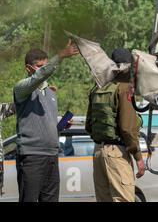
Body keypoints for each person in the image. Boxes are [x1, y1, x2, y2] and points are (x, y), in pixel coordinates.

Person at [13, 40, 79, 202]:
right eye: (39, 66)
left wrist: (59, 126)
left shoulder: (50, 93)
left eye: (45, 65)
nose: (43, 69)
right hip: (31, 157)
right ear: (28, 68)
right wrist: (61, 55)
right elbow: (40, 76)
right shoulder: (21, 88)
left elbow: (41, 122)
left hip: (51, 156)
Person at [85, 48, 145, 202]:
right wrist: (137, 156)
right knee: (123, 199)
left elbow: (89, 125)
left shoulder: (98, 87)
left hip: (98, 151)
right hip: (117, 152)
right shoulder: (124, 88)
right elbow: (126, 127)